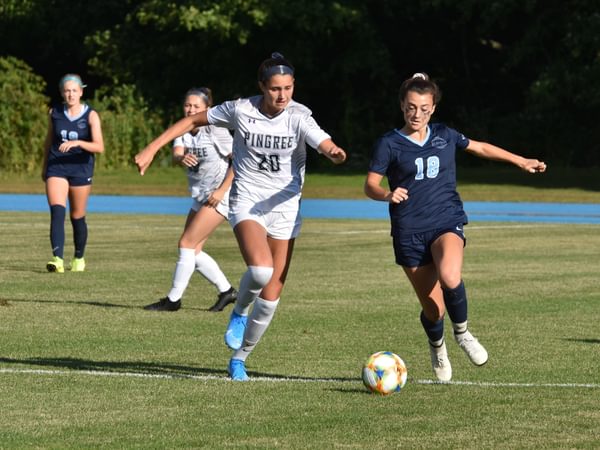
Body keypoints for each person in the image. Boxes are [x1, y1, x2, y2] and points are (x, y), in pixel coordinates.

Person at [136, 52, 347, 381]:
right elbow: (192, 121)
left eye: (288, 88)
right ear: (262, 86)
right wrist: (152, 147)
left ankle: (240, 357)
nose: (282, 95)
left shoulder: (299, 115)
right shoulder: (241, 109)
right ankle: (238, 310)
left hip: (286, 208)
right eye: (275, 88)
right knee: (261, 270)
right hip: (247, 201)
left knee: (273, 295)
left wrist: (334, 152)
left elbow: (323, 141)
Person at [364, 73, 547, 382]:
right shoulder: (389, 143)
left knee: (450, 276)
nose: (417, 114)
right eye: (411, 108)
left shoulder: (444, 134)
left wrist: (520, 160)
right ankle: (438, 345)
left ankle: (462, 334)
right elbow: (370, 184)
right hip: (409, 230)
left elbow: (480, 148)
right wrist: (387, 194)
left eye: (424, 108)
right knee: (434, 311)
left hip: (445, 219)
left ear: (433, 108)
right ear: (401, 106)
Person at [143, 87, 238, 312]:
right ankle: (227, 291)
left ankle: (173, 300)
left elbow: (239, 161)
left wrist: (222, 190)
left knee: (186, 244)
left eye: (196, 107)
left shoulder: (216, 130)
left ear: (207, 109)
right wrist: (181, 157)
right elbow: (177, 154)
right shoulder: (184, 128)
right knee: (192, 251)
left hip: (219, 196)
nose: (190, 110)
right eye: (188, 105)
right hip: (201, 195)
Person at [41, 74, 104, 273]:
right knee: (57, 212)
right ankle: (57, 259)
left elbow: (99, 146)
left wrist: (78, 143)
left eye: (74, 91)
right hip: (56, 167)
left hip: (80, 169)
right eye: (67, 91)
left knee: (77, 216)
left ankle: (79, 257)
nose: (70, 94)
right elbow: (48, 141)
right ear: (61, 93)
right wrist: (44, 167)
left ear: (81, 92)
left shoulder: (91, 115)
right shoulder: (55, 112)